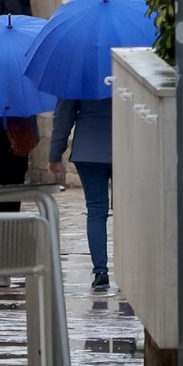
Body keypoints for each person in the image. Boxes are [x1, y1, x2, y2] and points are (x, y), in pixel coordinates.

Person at [49, 98, 114, 292]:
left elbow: (63, 116)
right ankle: (130, 268)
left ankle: (100, 271)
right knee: (127, 211)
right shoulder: (123, 77)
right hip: (123, 145)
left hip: (88, 148)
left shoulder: (78, 79)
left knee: (96, 210)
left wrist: (55, 154)